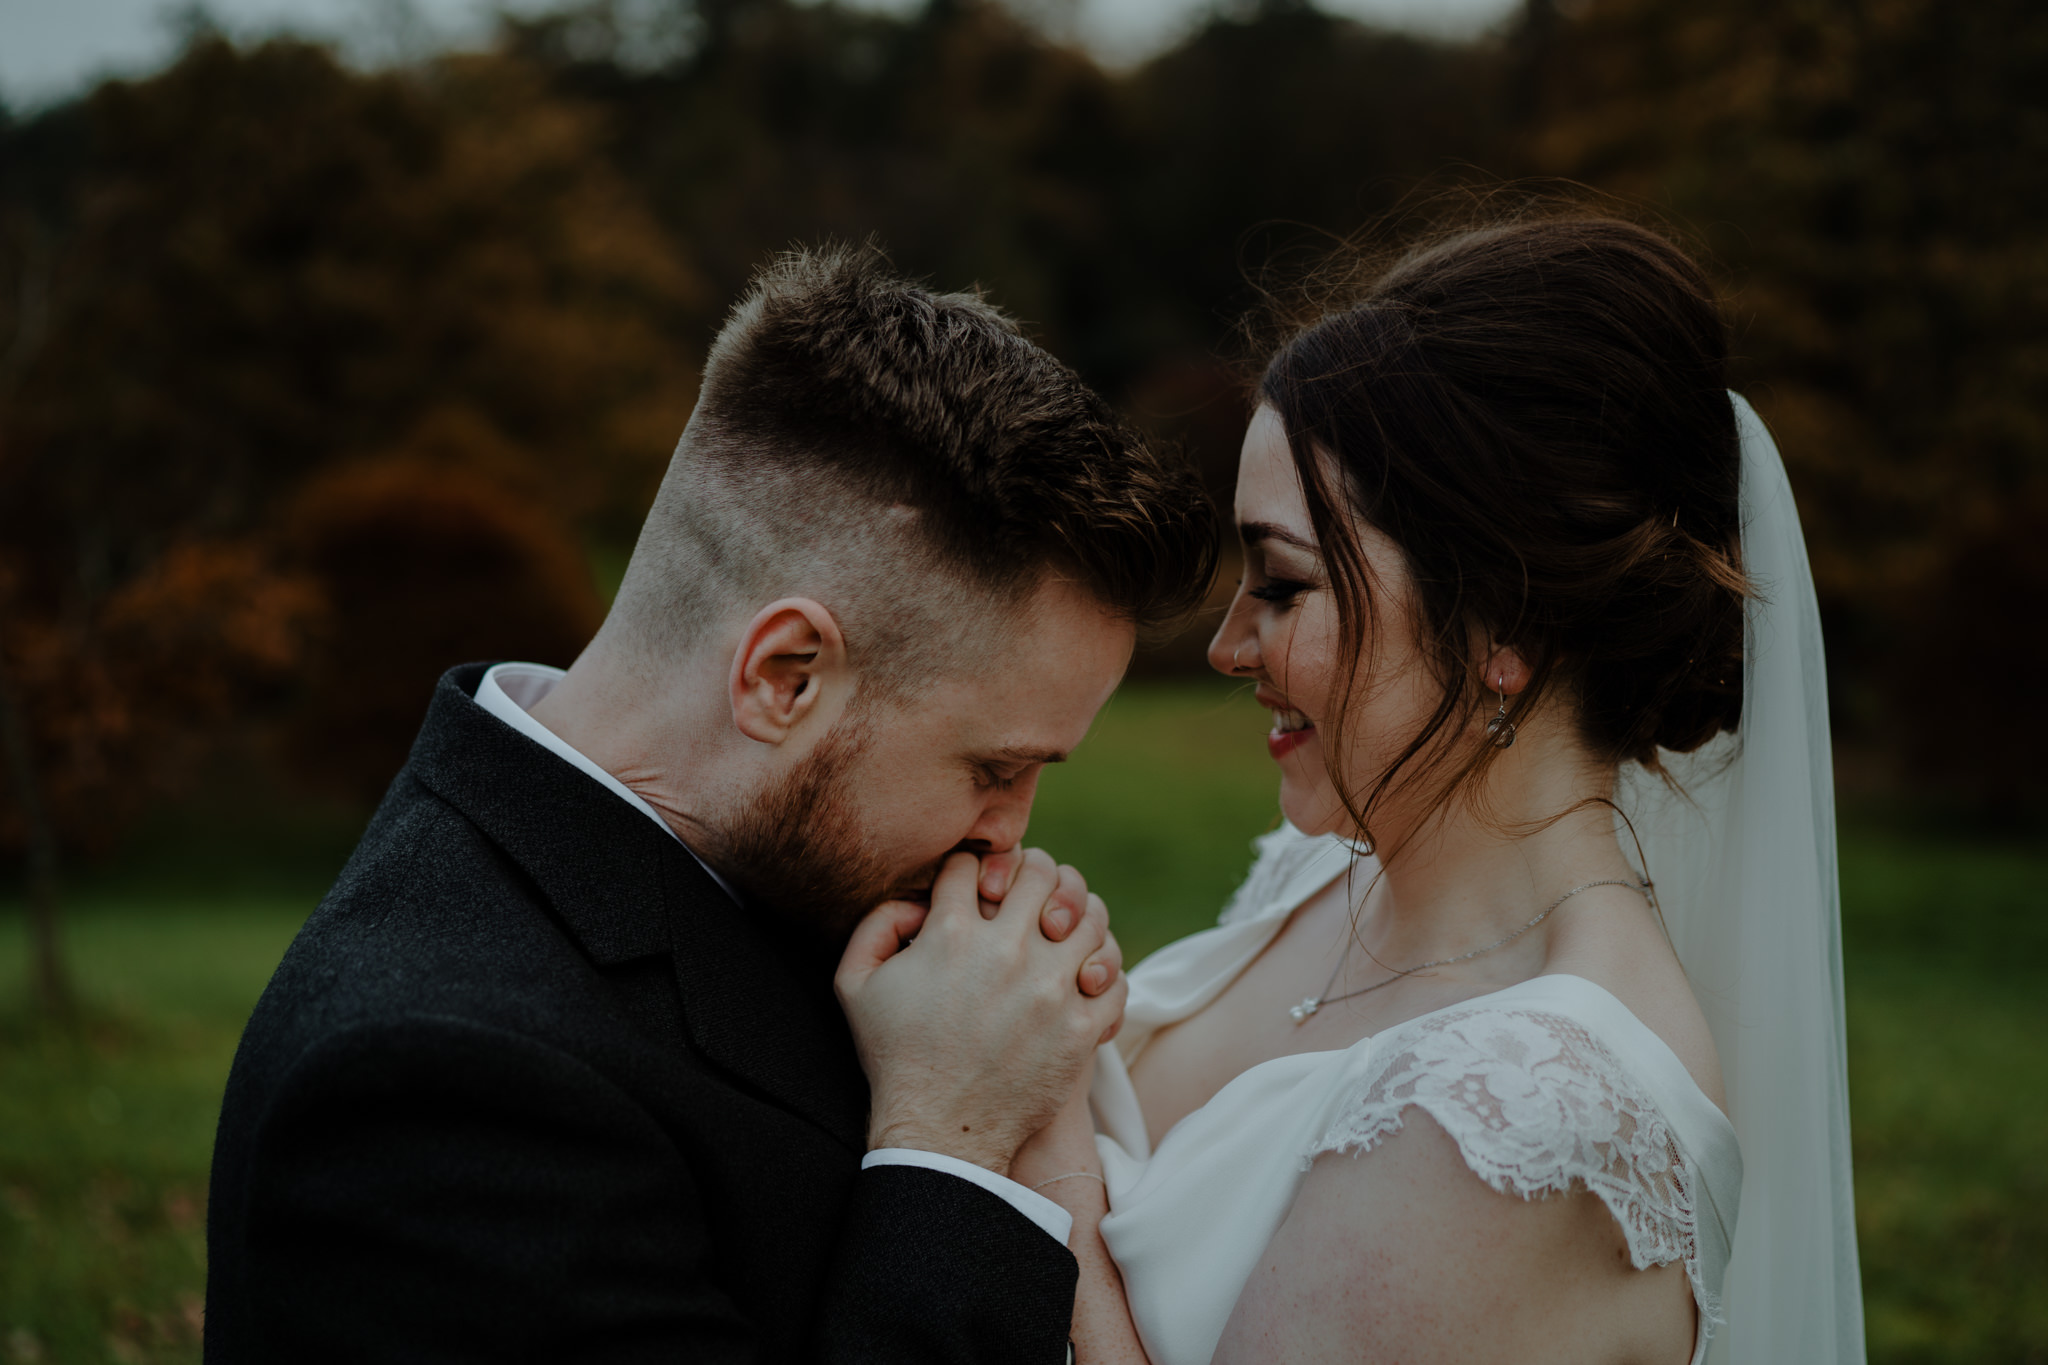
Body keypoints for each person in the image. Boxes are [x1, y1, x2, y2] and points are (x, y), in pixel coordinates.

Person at [203, 243, 1217, 1363]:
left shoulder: (757, 873)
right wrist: (950, 1143)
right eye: (992, 768)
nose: (1011, 833)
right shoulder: (437, 1086)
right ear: (784, 676)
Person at [1003, 215, 1864, 1364]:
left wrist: (1028, 1126)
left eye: (1282, 584)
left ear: (1500, 623)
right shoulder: (1315, 867)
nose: (1226, 646)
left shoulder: (1528, 1116)